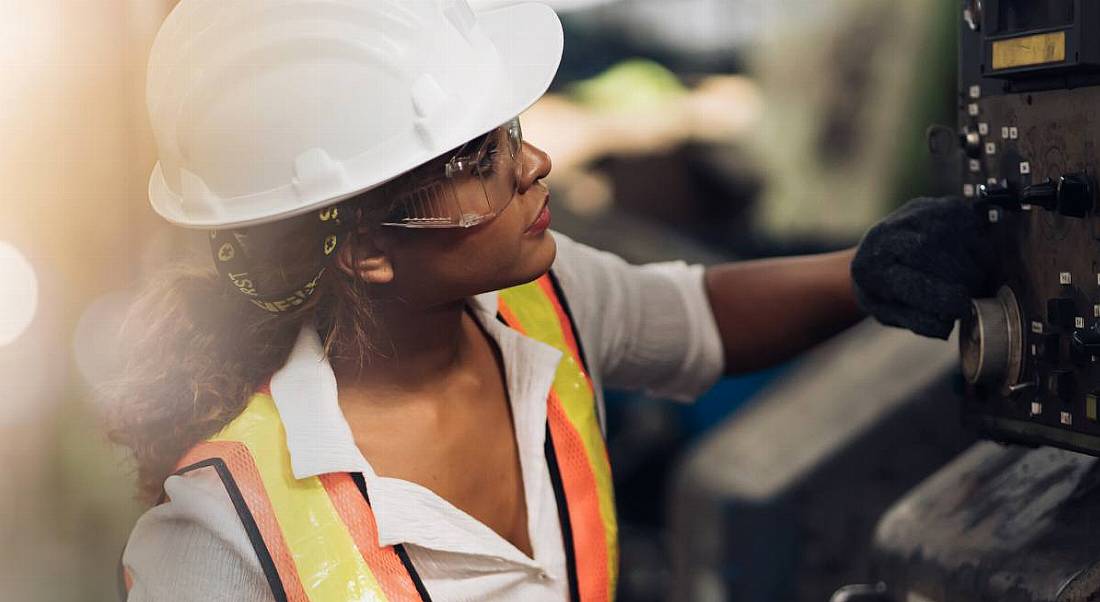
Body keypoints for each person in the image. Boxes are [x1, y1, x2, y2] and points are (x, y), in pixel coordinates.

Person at [111, 1, 992, 601]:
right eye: (474, 160)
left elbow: (697, 317)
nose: (532, 165)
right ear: (369, 250)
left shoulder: (546, 308)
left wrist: (864, 274)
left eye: (511, 134)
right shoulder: (221, 539)